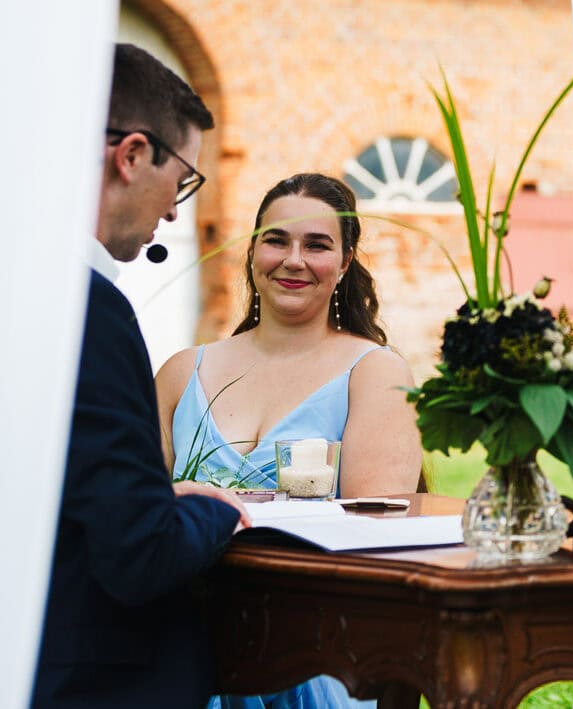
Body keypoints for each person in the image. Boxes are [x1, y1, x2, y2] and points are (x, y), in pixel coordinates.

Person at [33, 44, 248, 708]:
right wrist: (213, 512)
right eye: (183, 176)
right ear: (130, 156)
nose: (178, 211)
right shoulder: (87, 310)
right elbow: (138, 553)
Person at [157, 172, 422, 709]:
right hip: (184, 635)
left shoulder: (374, 373)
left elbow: (376, 540)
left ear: (345, 263)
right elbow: (134, 512)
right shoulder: (182, 372)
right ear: (253, 249)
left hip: (316, 646)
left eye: (317, 245)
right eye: (277, 240)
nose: (293, 259)